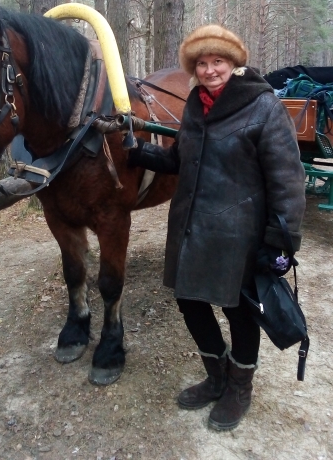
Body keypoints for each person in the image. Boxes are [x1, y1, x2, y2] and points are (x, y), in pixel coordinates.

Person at [128, 24, 306, 431]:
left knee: (238, 311)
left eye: (218, 61)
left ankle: (240, 388)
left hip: (238, 234)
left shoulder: (263, 106)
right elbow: (180, 160)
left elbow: (288, 179)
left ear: (234, 63)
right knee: (189, 301)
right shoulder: (196, 105)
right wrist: (137, 152)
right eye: (202, 63)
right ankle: (217, 375)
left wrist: (280, 242)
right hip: (191, 227)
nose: (210, 70)